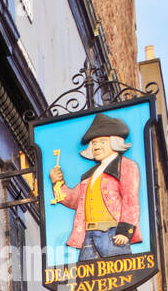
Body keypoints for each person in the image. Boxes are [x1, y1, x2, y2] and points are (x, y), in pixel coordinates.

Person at [49, 112, 142, 262]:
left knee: (118, 277)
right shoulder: (90, 175)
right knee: (87, 279)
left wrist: (125, 231)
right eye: (94, 143)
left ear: (114, 142)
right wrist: (57, 183)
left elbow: (130, 200)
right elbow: (74, 199)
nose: (97, 146)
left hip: (113, 233)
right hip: (89, 234)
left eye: (102, 141)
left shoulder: (125, 165)